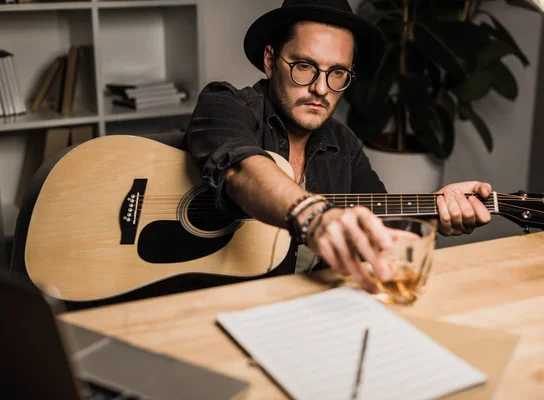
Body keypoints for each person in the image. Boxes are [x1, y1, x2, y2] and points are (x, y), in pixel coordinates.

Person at [183, 0, 492, 291]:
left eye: (338, 72)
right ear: (269, 60)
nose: (320, 88)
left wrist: (431, 214)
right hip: (210, 306)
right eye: (304, 66)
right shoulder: (224, 104)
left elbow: (378, 229)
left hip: (307, 310)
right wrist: (315, 216)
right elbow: (240, 169)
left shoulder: (345, 146)